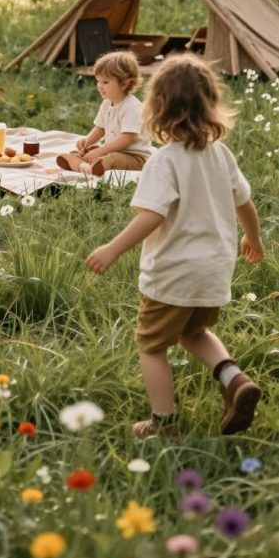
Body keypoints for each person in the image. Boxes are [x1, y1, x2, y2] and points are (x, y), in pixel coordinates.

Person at [86, 53, 264, 439]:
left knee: (152, 347)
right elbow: (245, 203)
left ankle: (163, 425)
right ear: (209, 106)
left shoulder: (164, 161)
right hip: (214, 271)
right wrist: (253, 237)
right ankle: (235, 380)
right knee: (194, 332)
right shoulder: (221, 154)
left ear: (157, 109)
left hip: (173, 273)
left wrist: (112, 249)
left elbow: (151, 216)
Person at [56, 50, 152, 176]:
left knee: (111, 158)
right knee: (85, 152)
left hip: (135, 157)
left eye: (105, 82)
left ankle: (91, 167)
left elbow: (127, 140)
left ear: (124, 84)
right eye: (98, 81)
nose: (100, 86)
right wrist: (87, 141)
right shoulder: (107, 103)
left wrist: (101, 150)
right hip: (112, 151)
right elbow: (100, 128)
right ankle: (82, 164)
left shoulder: (132, 107)